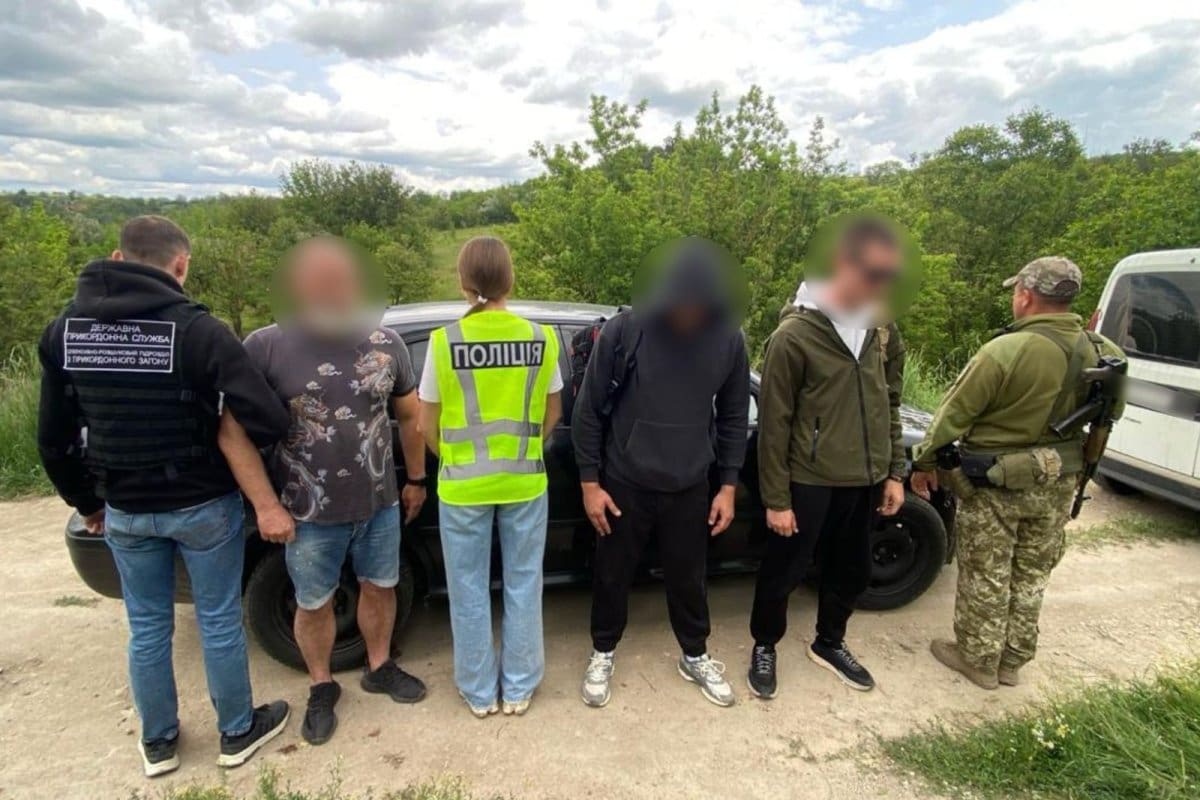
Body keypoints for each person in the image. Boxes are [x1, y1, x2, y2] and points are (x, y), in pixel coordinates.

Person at [37, 215, 292, 778]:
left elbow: (53, 438)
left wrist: (87, 503)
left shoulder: (64, 332)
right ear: (181, 264)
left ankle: (159, 743)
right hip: (203, 505)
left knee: (148, 628)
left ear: (117, 257)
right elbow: (269, 419)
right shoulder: (198, 330)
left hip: (125, 509)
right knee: (218, 620)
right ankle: (236, 732)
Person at [222, 237, 429, 745]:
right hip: (306, 514)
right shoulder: (265, 347)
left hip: (379, 505)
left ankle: (379, 667)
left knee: (381, 587)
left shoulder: (386, 344)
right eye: (320, 281)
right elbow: (231, 432)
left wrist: (416, 479)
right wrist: (265, 506)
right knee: (313, 603)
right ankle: (321, 685)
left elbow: (409, 416)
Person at [911, 257, 1125, 690]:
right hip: (1059, 478)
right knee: (1032, 572)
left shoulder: (1005, 351)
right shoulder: (1106, 353)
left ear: (1026, 295)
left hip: (995, 481)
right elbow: (1112, 413)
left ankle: (978, 659)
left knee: (987, 569)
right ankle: (1012, 661)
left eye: (1016, 291)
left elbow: (953, 416)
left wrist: (924, 461)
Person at [573, 239, 749, 709]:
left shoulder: (729, 339)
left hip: (690, 483)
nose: (687, 311)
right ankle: (603, 651)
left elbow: (734, 416)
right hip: (624, 481)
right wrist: (590, 484)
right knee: (612, 575)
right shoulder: (626, 330)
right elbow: (588, 411)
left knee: (689, 578)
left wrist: (727, 486)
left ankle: (694, 655)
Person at [748, 216, 907, 699]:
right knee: (784, 570)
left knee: (852, 569)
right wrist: (777, 500)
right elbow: (773, 425)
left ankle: (830, 642)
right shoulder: (794, 336)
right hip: (810, 478)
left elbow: (890, 402)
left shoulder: (881, 330)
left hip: (864, 477)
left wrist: (894, 472)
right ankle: (764, 645)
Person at [418, 236, 563, 718]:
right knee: (524, 583)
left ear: (463, 283)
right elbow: (553, 412)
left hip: (462, 486)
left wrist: (454, 457)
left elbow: (425, 425)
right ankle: (518, 688)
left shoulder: (445, 342)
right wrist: (525, 449)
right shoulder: (541, 338)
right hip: (524, 481)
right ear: (510, 280)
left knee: (467, 588)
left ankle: (480, 692)